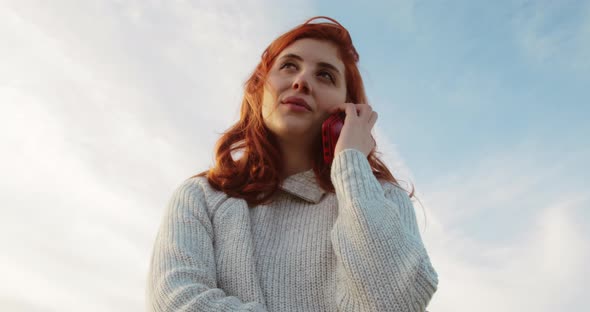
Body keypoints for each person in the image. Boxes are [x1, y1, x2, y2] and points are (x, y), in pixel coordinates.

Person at [146, 16, 438, 311]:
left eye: (325, 75)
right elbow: (176, 301)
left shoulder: (383, 199)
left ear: (347, 109)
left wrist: (351, 164)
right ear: (260, 88)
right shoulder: (201, 197)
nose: (302, 81)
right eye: (289, 66)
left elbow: (396, 302)